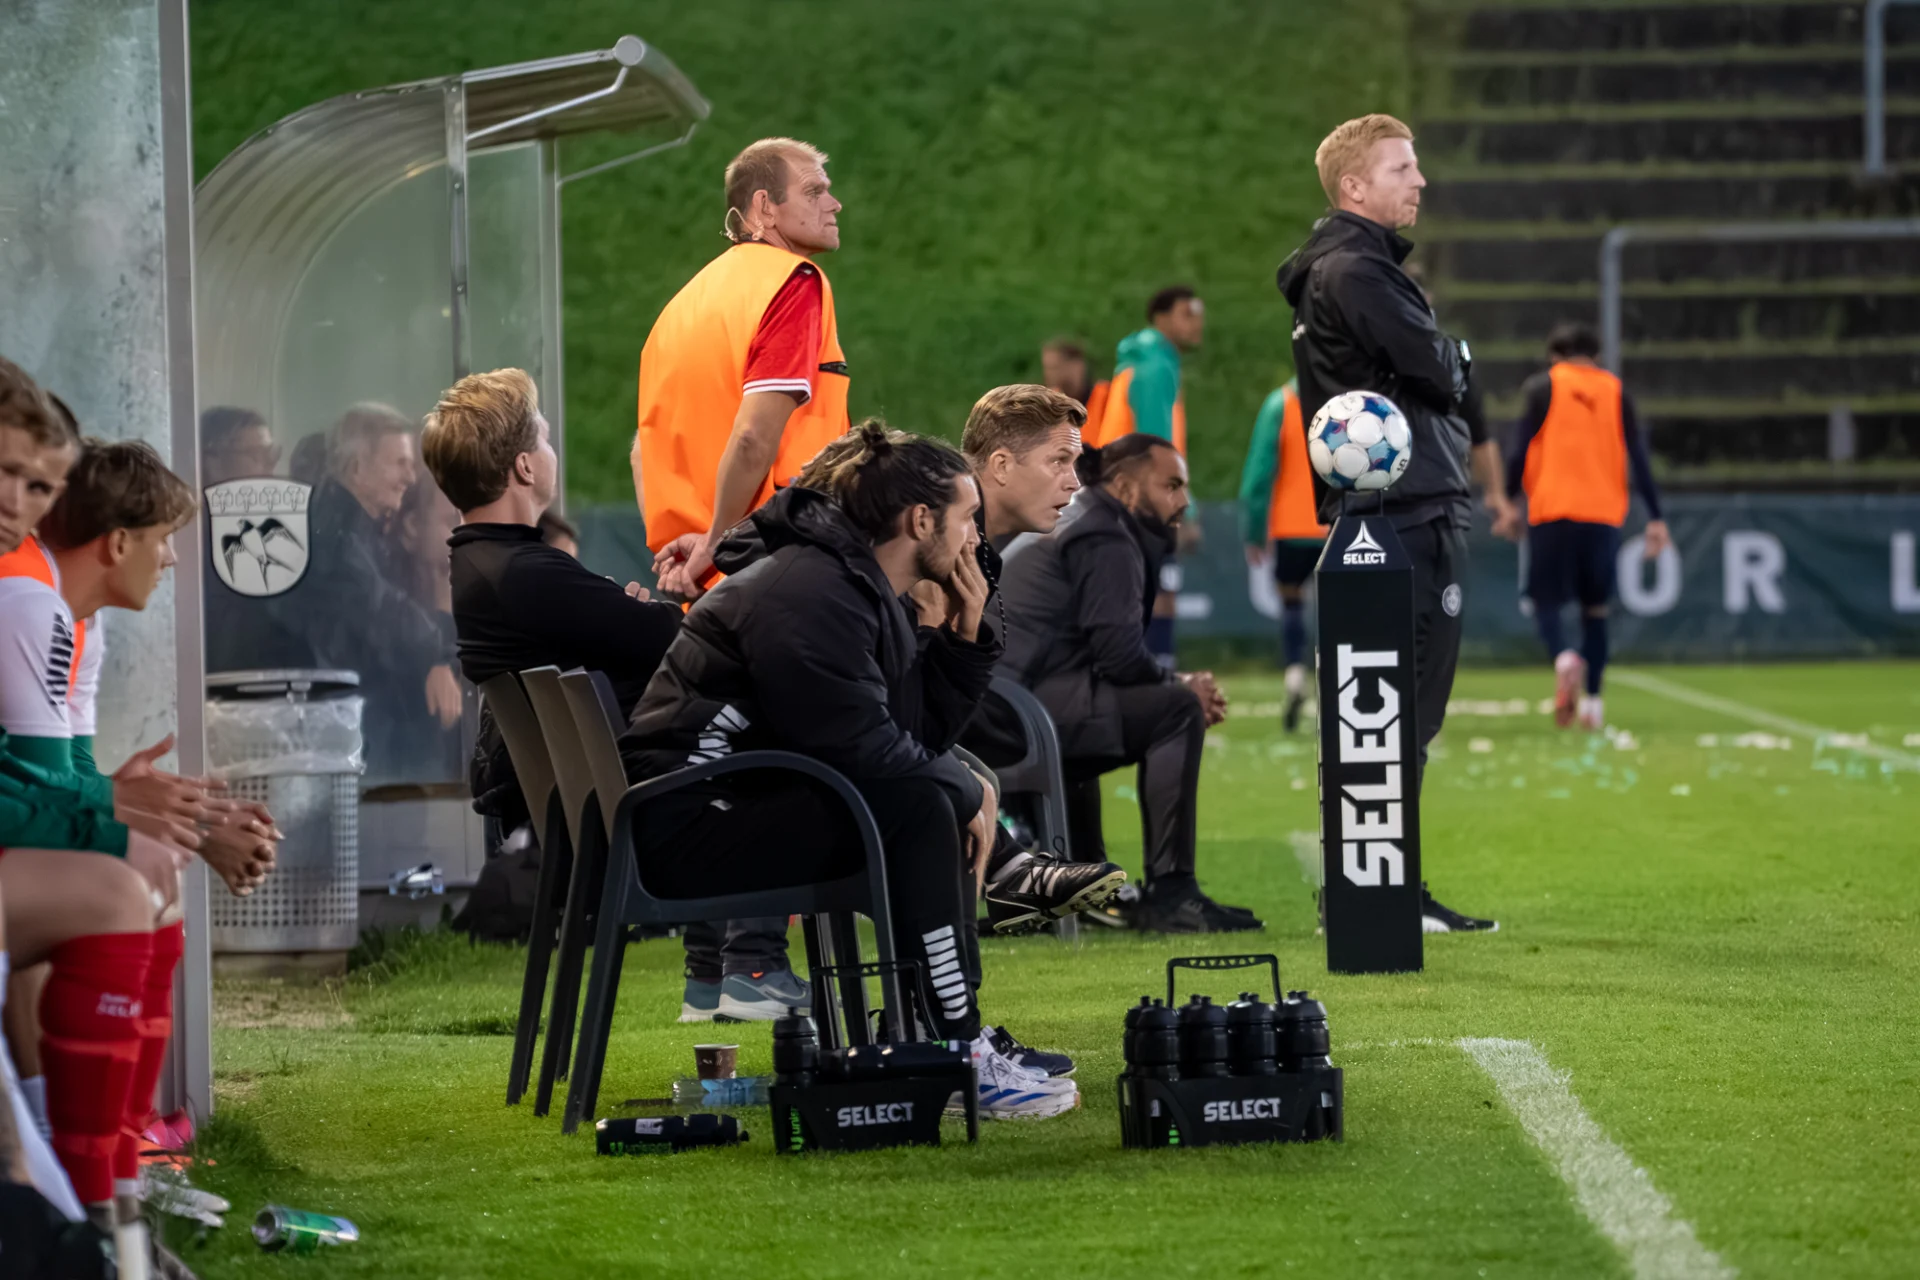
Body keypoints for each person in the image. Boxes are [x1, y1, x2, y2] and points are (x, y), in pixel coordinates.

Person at [622, 424, 1079, 1119]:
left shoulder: (848, 583)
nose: (972, 542)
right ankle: (951, 1051)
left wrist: (961, 634)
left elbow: (907, 736)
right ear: (919, 520)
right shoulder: (813, 594)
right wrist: (962, 789)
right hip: (687, 825)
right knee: (923, 809)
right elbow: (865, 754)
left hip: (726, 800)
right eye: (965, 520)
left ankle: (934, 1039)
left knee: (926, 800)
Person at [421, 371, 799, 1022]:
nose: (550, 448)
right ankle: (754, 964)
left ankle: (717, 973)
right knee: (793, 745)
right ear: (522, 468)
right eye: (542, 437)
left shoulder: (490, 566)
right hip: (639, 826)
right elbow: (677, 640)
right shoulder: (527, 575)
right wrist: (648, 612)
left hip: (596, 817)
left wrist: (636, 615)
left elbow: (648, 635)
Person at [1275, 111, 1498, 934]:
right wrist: (1459, 356)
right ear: (1354, 187)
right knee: (1403, 708)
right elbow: (1439, 372)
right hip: (1412, 508)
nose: (1421, 181)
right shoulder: (1359, 272)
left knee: (1376, 707)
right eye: (1403, 168)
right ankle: (1379, 888)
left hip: (1376, 508)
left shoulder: (1328, 272)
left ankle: (1375, 882)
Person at [995, 433, 1253, 934]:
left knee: (1101, 713)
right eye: (1171, 486)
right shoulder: (1103, 533)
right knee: (1176, 709)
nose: (1183, 501)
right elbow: (1117, 654)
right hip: (1014, 712)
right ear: (1125, 486)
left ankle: (1086, 883)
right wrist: (1180, 684)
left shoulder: (1085, 514)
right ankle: (1172, 893)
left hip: (1001, 703)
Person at [636, 137, 850, 600]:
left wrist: (695, 549)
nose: (834, 204)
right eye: (814, 192)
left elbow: (642, 451)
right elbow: (753, 436)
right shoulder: (791, 282)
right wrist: (718, 543)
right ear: (764, 207)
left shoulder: (678, 309)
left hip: (703, 581)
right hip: (779, 567)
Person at [950, 385, 1129, 936]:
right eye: (1059, 461)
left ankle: (1012, 869)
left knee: (957, 768)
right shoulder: (939, 531)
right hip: (790, 722)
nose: (1075, 482)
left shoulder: (971, 539)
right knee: (945, 774)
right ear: (1001, 466)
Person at [1500, 322, 1670, 730]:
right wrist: (1657, 517)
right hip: (1603, 515)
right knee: (1596, 610)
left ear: (1554, 355)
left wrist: (1506, 501)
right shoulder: (1615, 391)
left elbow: (1520, 448)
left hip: (1552, 510)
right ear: (1595, 356)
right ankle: (1593, 703)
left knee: (1546, 602)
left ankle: (1563, 657)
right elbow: (1639, 458)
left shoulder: (1543, 387)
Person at [298, 404, 462, 780]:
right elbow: (379, 606)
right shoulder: (337, 537)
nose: (410, 475)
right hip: (354, 733)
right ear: (357, 469)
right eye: (400, 463)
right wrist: (435, 654)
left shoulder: (357, 529)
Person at [1087, 286, 1206, 667]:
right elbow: (1157, 447)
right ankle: (1155, 681)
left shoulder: (1143, 361)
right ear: (1162, 318)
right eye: (1188, 313)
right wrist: (1179, 510)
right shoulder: (1156, 367)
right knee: (1158, 590)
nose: (1197, 322)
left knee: (1133, 588)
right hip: (1138, 497)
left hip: (1117, 492)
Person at [1237, 378, 1326, 731]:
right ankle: (1337, 684)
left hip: (1292, 528)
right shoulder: (1346, 403)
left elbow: (1259, 473)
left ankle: (1294, 673)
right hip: (1336, 526)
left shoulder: (1282, 403)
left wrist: (1255, 531)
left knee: (1292, 602)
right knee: (1339, 611)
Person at [1040, 337, 1095, 407]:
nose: (1048, 374)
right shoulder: (1050, 404)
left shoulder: (1106, 398)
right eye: (1047, 368)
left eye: (1055, 368)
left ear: (1076, 366)